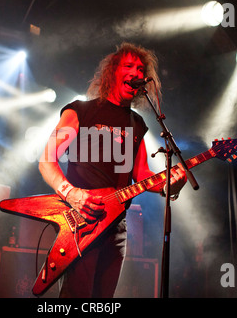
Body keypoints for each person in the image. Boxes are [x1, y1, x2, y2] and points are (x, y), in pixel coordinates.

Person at [38, 42, 187, 298]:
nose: (136, 73)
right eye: (128, 66)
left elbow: (141, 176)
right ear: (112, 72)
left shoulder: (137, 124)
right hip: (82, 218)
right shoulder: (81, 111)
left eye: (140, 68)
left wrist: (167, 186)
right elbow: (47, 159)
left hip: (116, 225)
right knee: (77, 295)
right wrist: (71, 193)